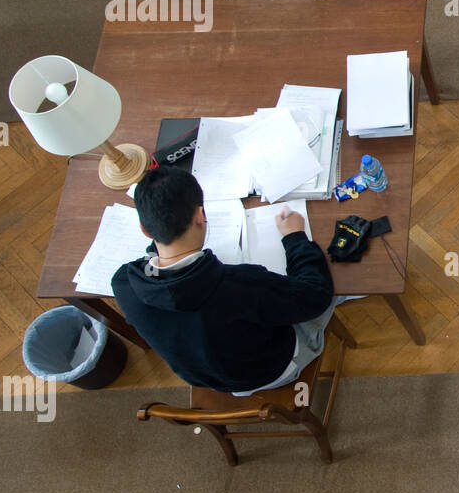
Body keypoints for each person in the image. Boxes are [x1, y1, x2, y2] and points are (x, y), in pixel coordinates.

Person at [111, 166, 336, 396]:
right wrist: (294, 237)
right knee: (335, 281)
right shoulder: (237, 285)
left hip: (211, 378)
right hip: (271, 369)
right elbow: (315, 295)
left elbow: (152, 260)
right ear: (200, 216)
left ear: (145, 230)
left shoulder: (123, 283)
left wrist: (161, 236)